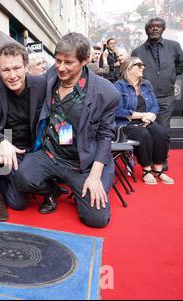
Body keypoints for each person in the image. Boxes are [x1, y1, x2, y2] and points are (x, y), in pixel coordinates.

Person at [15, 33, 121, 228]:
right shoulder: (50, 77)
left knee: (96, 219)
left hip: (83, 164)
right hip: (51, 155)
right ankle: (52, 191)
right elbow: (18, 75)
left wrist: (95, 176)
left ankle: (81, 189)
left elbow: (106, 136)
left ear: (85, 60)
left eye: (68, 62)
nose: (61, 67)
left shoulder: (106, 93)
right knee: (22, 178)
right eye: (58, 61)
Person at [0, 42, 60, 221]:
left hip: (32, 148)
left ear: (26, 67)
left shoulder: (41, 83)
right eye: (6, 70)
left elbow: (63, 67)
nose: (12, 75)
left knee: (18, 200)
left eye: (17, 68)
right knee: (17, 203)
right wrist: (0, 141)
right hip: (4, 146)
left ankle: (50, 189)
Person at [114, 57, 173, 185]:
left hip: (146, 121)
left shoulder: (146, 84)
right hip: (126, 124)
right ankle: (146, 170)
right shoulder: (119, 86)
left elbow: (155, 105)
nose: (143, 67)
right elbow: (117, 111)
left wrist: (151, 115)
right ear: (129, 68)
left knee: (162, 133)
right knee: (143, 134)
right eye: (139, 65)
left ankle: (158, 169)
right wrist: (141, 115)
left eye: (143, 65)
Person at [132, 17, 183, 132]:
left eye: (158, 26)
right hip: (145, 97)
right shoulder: (137, 51)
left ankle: (161, 150)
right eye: (151, 27)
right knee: (146, 130)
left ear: (163, 29)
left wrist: (171, 75)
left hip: (166, 96)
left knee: (163, 130)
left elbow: (181, 64)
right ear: (146, 31)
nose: (155, 28)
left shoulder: (174, 46)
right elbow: (133, 72)